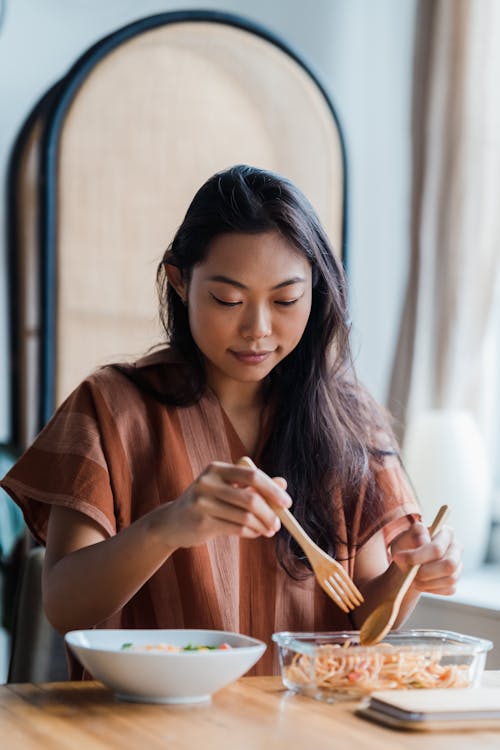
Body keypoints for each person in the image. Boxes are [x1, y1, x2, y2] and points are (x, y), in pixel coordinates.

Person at [1, 165, 461, 677]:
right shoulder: (110, 407)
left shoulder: (349, 419)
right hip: (146, 726)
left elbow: (362, 618)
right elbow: (65, 606)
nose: (258, 330)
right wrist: (165, 528)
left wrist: (409, 579)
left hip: (303, 727)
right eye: (228, 299)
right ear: (179, 281)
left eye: (286, 300)